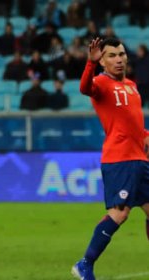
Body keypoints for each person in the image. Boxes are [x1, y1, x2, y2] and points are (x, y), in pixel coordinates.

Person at [71, 37, 149, 280]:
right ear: (102, 60)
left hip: (140, 158)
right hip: (121, 159)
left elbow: (134, 124)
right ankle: (85, 264)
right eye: (112, 56)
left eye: (122, 54)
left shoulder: (132, 86)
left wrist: (146, 135)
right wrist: (89, 64)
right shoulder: (100, 83)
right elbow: (84, 88)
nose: (119, 59)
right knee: (120, 213)